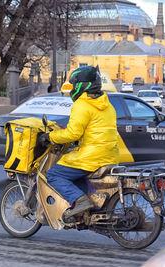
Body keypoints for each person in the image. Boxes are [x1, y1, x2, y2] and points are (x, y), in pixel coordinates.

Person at [40, 65, 119, 221]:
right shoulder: (108, 105)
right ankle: (86, 211)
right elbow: (95, 130)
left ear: (81, 85)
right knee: (76, 176)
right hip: (110, 156)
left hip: (91, 157)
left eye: (74, 84)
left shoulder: (82, 105)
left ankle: (80, 201)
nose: (72, 89)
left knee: (54, 174)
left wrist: (51, 136)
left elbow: (73, 133)